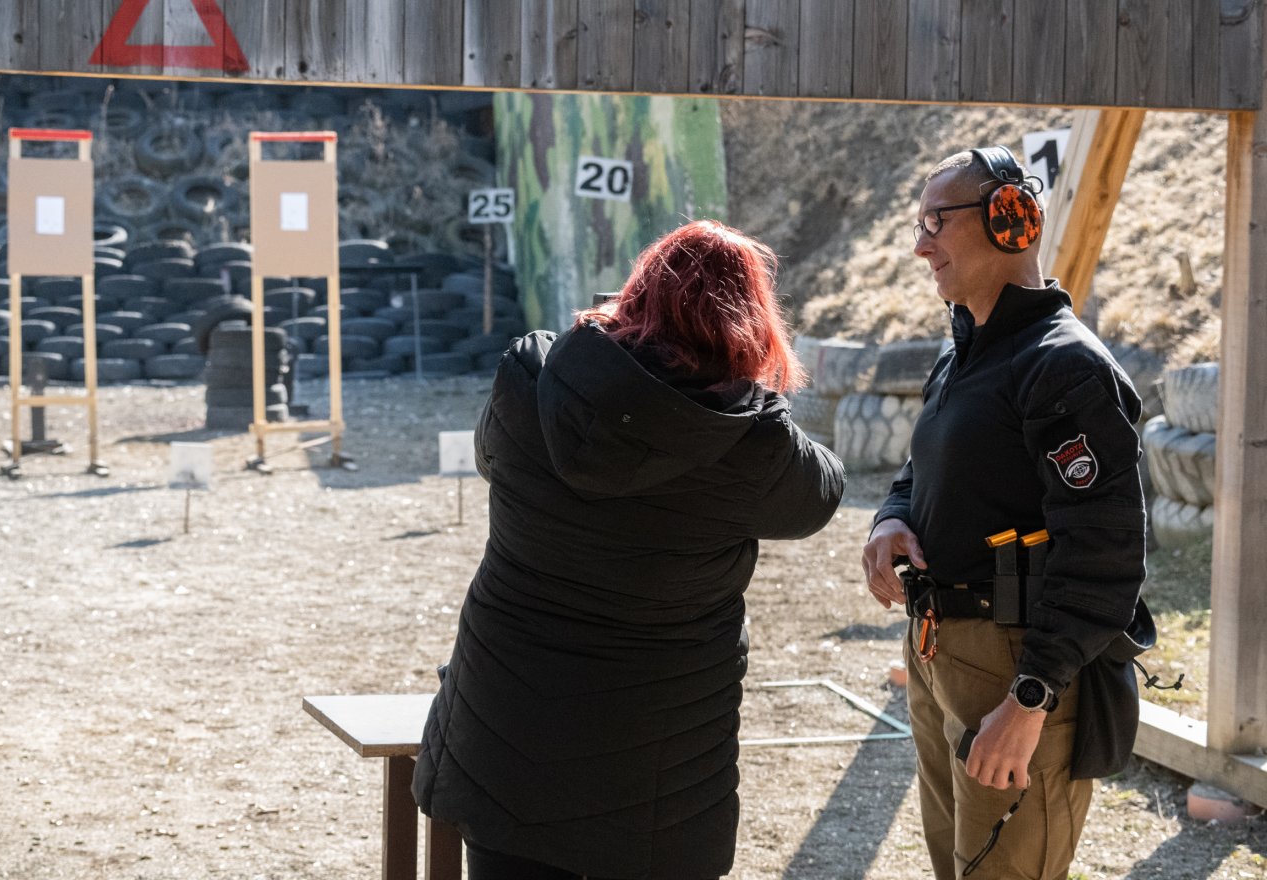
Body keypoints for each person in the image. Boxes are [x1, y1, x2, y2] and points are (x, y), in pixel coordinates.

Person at [413, 219, 845, 880]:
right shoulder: (751, 447)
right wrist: (758, 401)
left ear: (638, 292)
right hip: (656, 778)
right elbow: (822, 494)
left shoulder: (531, 377)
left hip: (507, 743)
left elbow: (490, 457)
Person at [860, 146, 1148, 880]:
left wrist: (1030, 699)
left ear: (1011, 221)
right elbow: (923, 466)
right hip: (937, 651)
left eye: (935, 222)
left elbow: (1105, 554)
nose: (920, 244)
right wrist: (891, 516)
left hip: (1015, 665)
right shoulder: (965, 353)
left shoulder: (1064, 367)